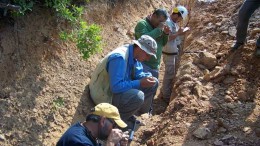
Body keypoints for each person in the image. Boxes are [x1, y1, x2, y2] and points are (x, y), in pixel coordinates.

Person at [89, 35, 158, 128]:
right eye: (148, 55)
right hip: (104, 93)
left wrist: (147, 77)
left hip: (117, 88)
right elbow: (115, 87)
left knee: (154, 83)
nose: (148, 58)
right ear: (140, 49)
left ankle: (137, 112)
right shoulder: (119, 58)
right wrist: (139, 83)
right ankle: (115, 123)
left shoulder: (134, 55)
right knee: (138, 96)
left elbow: (138, 73)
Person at [56, 103, 129, 146]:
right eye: (114, 125)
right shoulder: (79, 141)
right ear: (103, 121)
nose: (115, 129)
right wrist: (111, 142)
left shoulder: (88, 134)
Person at [161, 6, 189, 103]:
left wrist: (180, 33)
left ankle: (164, 92)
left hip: (171, 52)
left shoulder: (173, 23)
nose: (180, 20)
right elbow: (167, 38)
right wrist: (178, 33)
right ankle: (166, 96)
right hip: (168, 53)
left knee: (170, 74)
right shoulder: (168, 23)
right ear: (177, 15)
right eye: (181, 18)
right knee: (169, 74)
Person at [134, 8, 171, 78]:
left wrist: (166, 34)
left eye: (163, 22)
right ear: (154, 16)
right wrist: (158, 30)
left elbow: (163, 43)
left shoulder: (158, 28)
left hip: (155, 66)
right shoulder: (142, 24)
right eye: (160, 21)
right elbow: (143, 39)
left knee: (152, 87)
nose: (161, 24)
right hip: (143, 64)